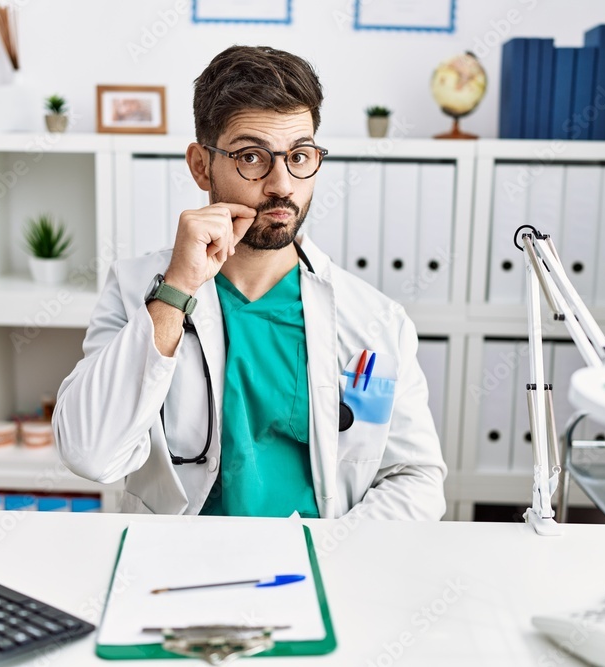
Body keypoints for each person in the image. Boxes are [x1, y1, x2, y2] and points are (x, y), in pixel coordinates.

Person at [53, 45, 446, 520]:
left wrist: (330, 553)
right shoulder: (140, 289)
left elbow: (416, 477)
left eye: (300, 156)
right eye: (252, 157)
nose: (282, 183)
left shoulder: (377, 319)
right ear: (201, 165)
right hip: (176, 571)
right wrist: (177, 287)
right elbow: (90, 453)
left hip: (315, 570)